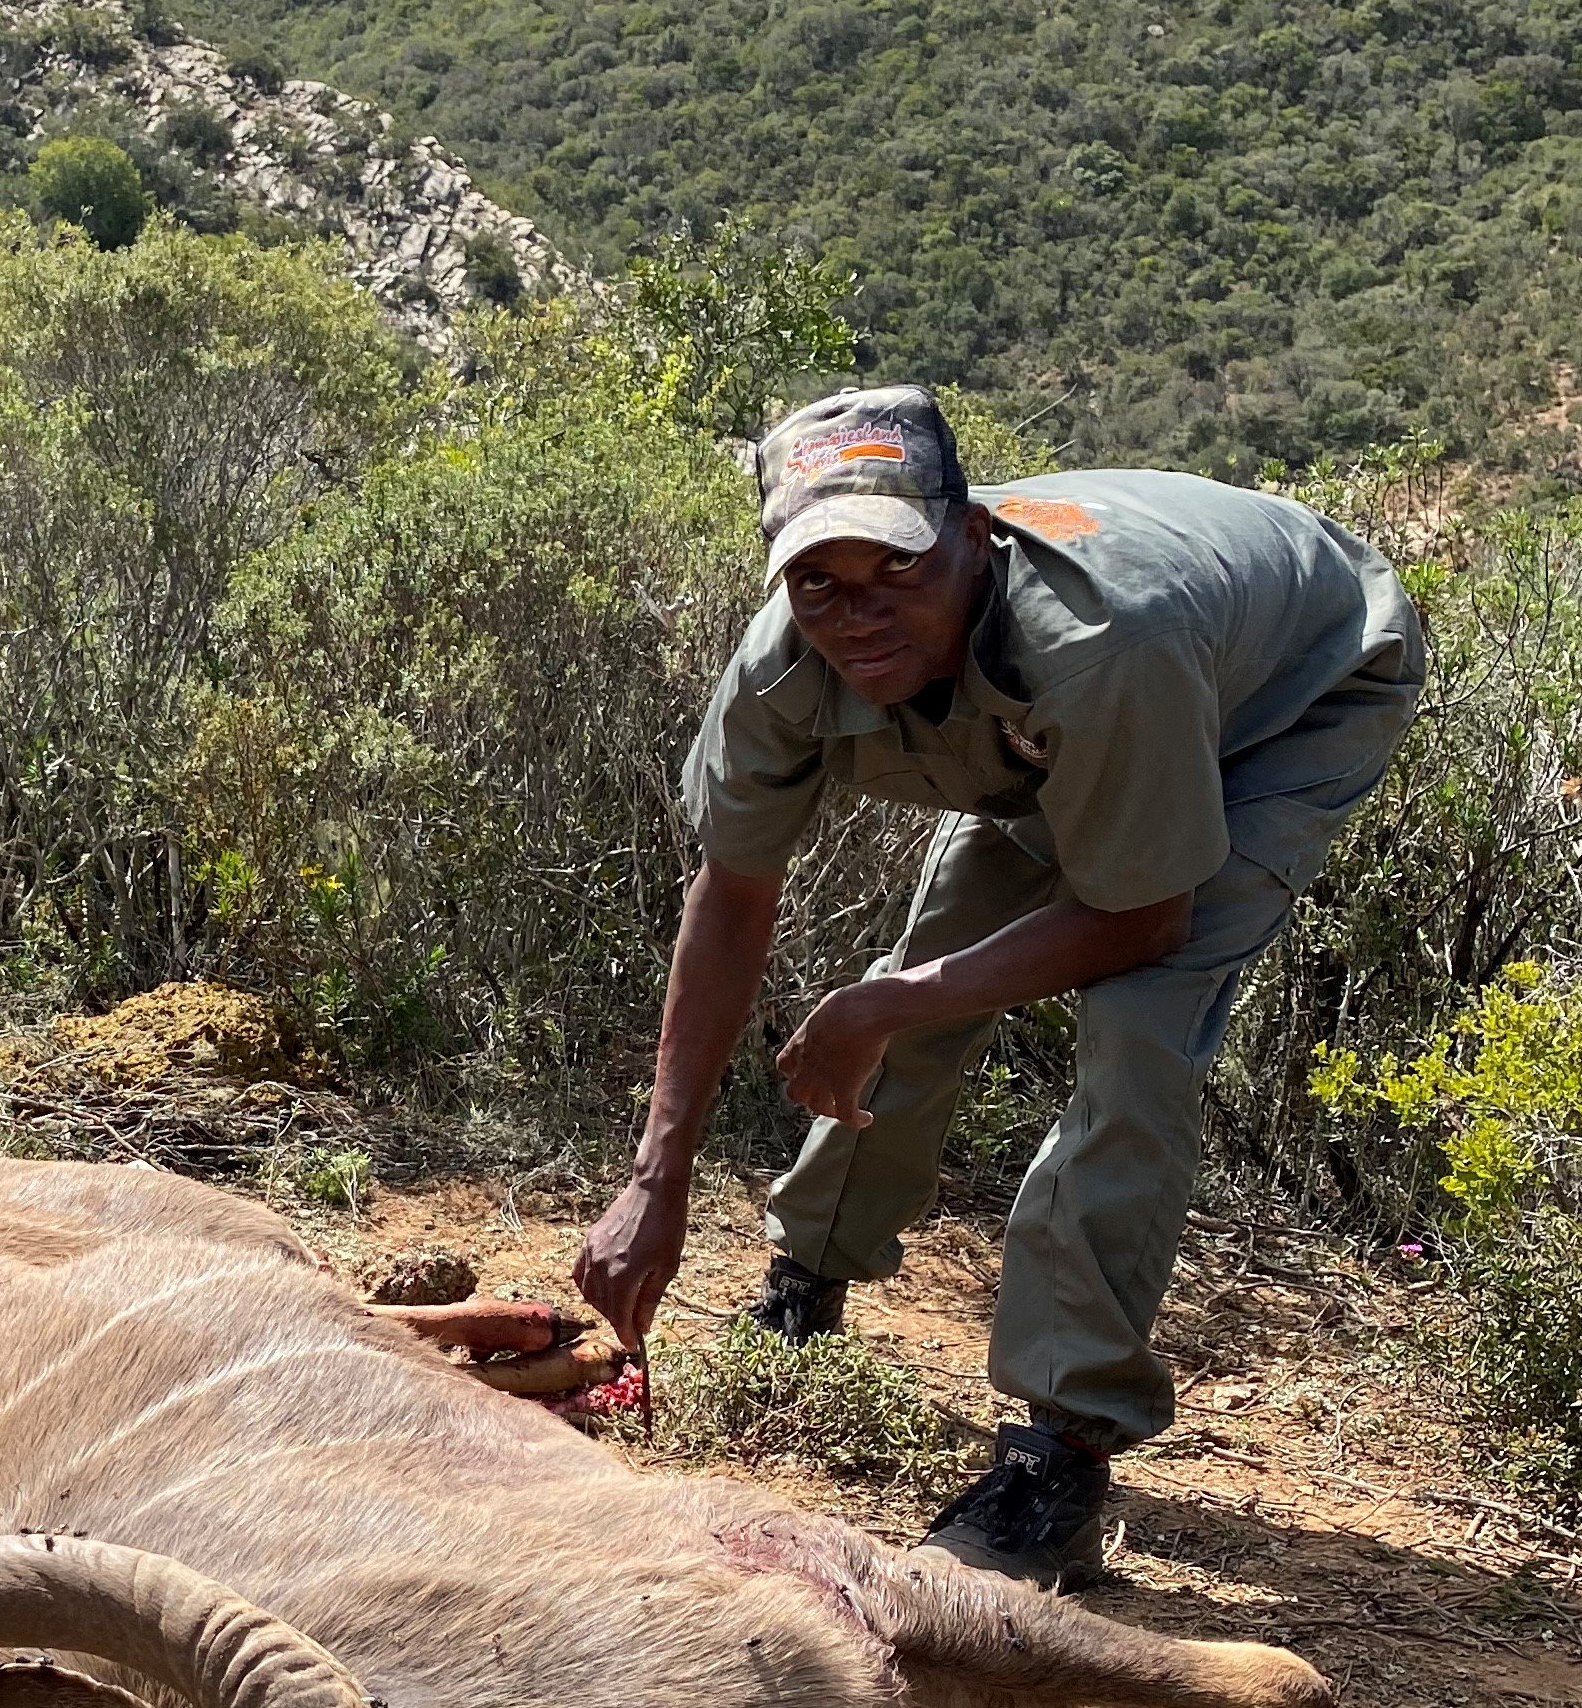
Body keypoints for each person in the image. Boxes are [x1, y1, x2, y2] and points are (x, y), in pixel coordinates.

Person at [575, 386, 1425, 1589]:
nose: (858, 615)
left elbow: (1143, 917)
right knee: (936, 961)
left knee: (1136, 1039)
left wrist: (882, 1006)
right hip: (1084, 713)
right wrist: (655, 1183)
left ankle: (1060, 1455)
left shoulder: (1097, 646)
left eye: (896, 571)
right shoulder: (782, 667)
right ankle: (809, 1274)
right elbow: (732, 894)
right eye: (822, 582)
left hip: (1292, 691)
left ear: (970, 538)